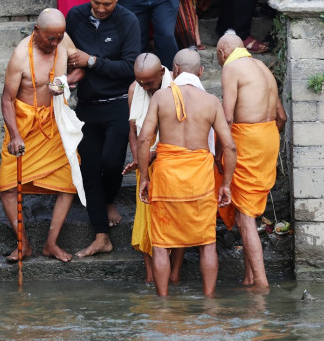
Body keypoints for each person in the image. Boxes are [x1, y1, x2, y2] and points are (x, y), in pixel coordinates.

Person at [137, 49, 237, 297]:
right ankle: (210, 300)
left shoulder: (160, 97)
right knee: (207, 243)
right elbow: (230, 145)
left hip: (167, 178)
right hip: (200, 180)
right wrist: (225, 183)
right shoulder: (212, 102)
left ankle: (162, 303)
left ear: (175, 70)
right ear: (201, 72)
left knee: (161, 245)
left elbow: (143, 140)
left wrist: (145, 178)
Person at [0, 9, 84, 263]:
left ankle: (51, 243)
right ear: (36, 31)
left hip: (54, 121)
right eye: (51, 38)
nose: (56, 43)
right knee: (7, 186)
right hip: (24, 124)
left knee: (69, 181)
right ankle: (22, 243)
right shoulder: (20, 56)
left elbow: (81, 69)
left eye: (59, 38)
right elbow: (6, 99)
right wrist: (15, 135)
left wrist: (67, 81)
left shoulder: (63, 40)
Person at [65, 0, 140, 258]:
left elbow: (131, 67)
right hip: (85, 105)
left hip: (119, 103)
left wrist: (93, 62)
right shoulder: (75, 16)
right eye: (96, 2)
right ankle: (100, 236)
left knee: (111, 162)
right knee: (88, 169)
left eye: (106, 4)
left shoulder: (128, 21)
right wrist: (69, 76)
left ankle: (109, 200)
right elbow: (65, 52)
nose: (100, 9)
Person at [216, 32, 286, 289]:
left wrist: (219, 154)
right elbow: (282, 117)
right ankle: (248, 276)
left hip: (248, 138)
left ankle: (261, 283)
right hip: (268, 137)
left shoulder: (232, 67)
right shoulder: (262, 68)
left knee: (245, 216)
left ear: (223, 54)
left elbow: (227, 120)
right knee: (250, 209)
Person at [122, 53, 185, 284]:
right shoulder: (134, 89)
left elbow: (179, 131)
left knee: (175, 219)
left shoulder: (176, 88)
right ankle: (150, 276)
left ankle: (176, 275)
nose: (145, 87)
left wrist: (152, 154)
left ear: (162, 73)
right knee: (146, 218)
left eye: (149, 83)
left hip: (171, 158)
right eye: (140, 82)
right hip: (145, 161)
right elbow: (133, 131)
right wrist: (139, 158)